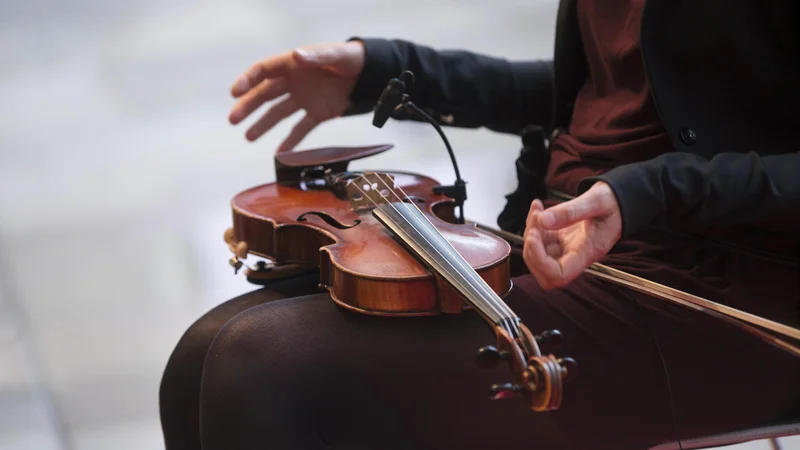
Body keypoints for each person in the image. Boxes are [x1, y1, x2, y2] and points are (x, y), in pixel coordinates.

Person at [158, 1, 800, 449]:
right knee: (202, 353)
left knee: (259, 371)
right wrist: (385, 69)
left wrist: (653, 188)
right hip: (571, 239)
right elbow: (614, 91)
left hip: (720, 291)